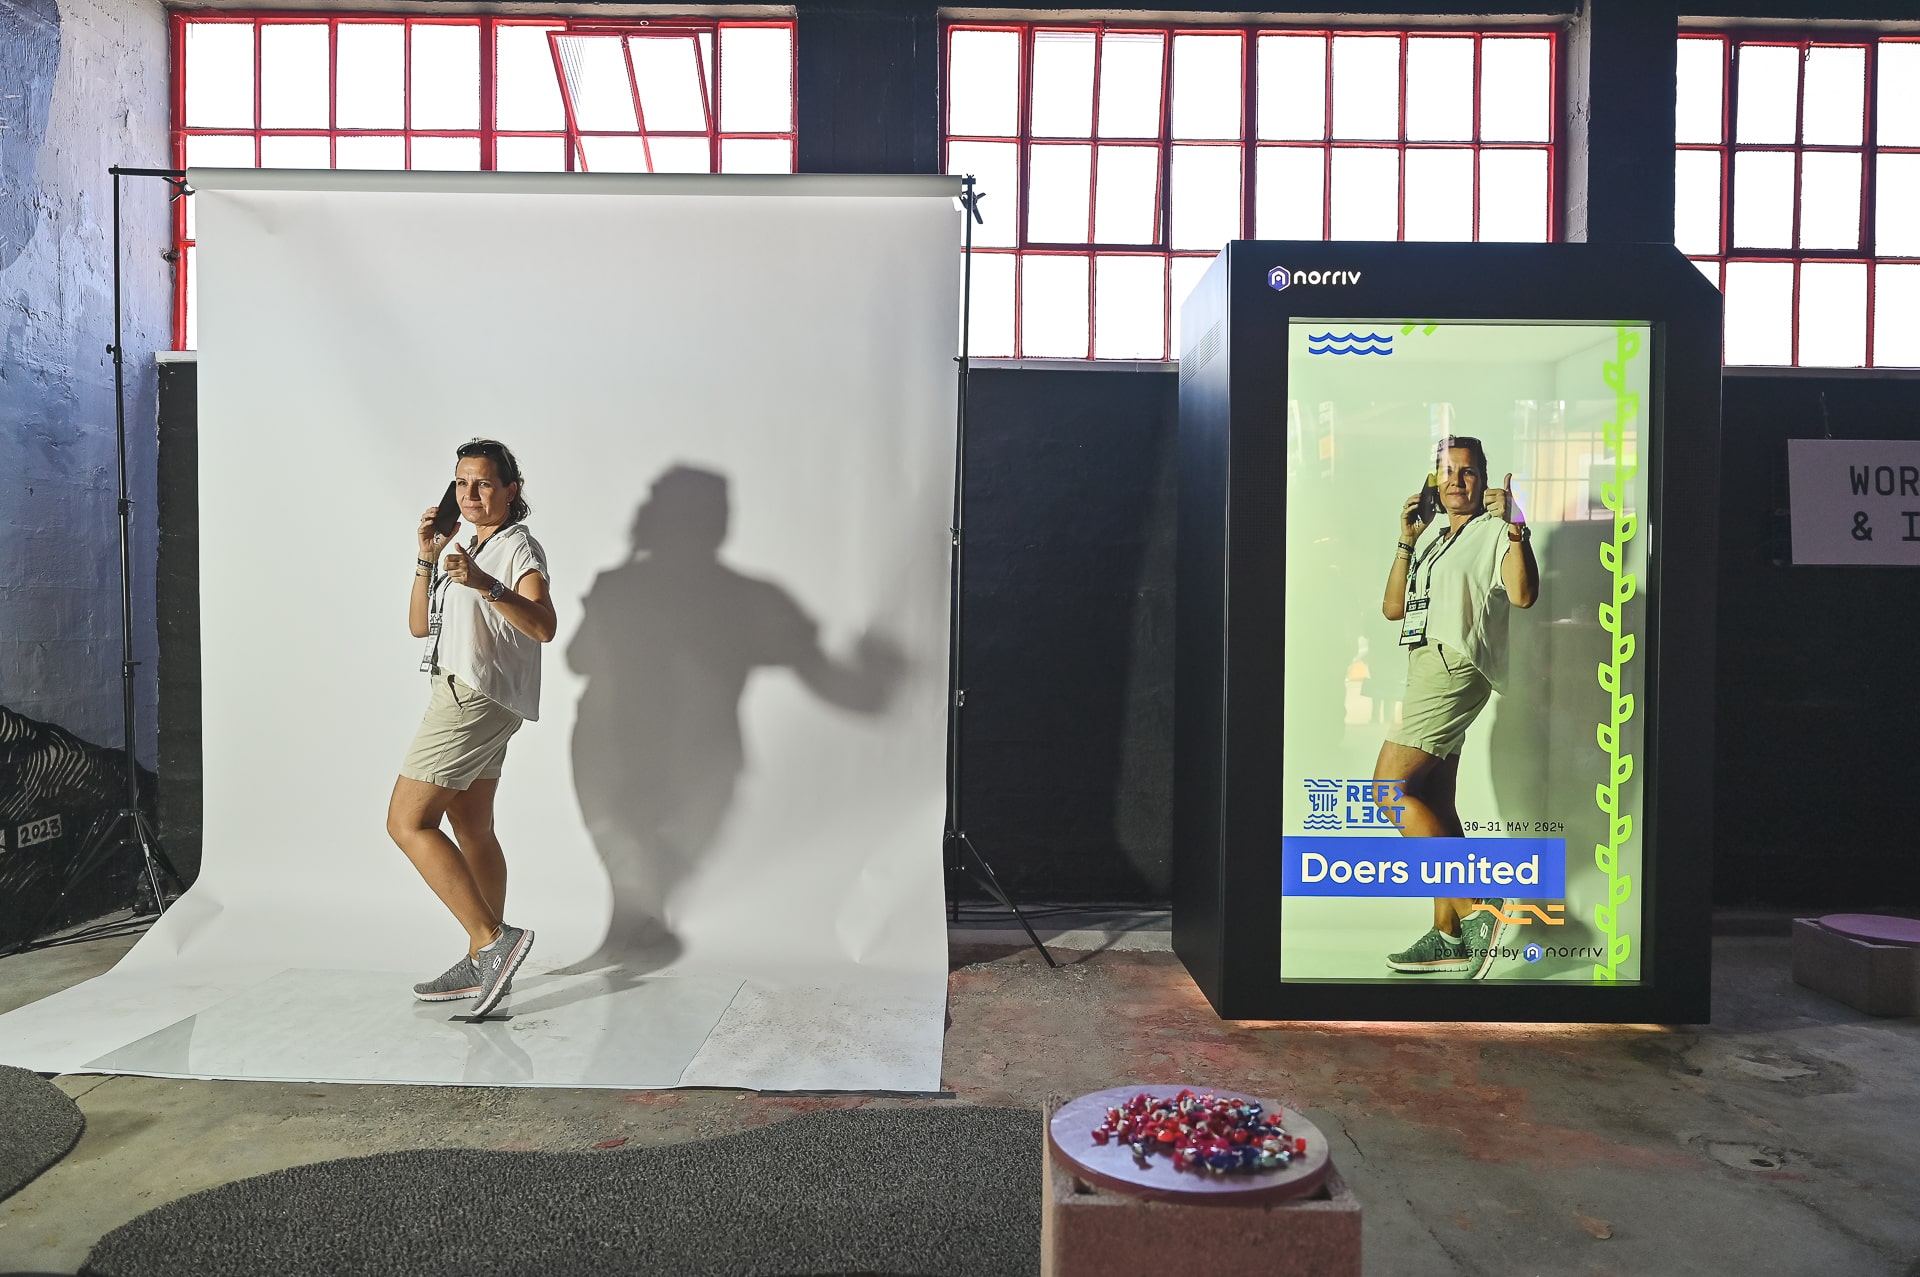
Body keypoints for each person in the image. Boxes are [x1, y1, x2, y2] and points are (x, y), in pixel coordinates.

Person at [387, 439, 556, 1015]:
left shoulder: (515, 549)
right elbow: (417, 626)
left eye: (484, 483)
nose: (471, 494)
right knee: (470, 824)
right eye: (462, 484)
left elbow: (543, 626)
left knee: (407, 821)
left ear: (511, 490)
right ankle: (481, 957)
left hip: (472, 697)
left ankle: (492, 941)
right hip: (473, 693)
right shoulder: (462, 546)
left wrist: (485, 582)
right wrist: (427, 555)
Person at [1375, 437, 1538, 979]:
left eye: (1467, 473)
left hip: (1455, 665)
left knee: (1386, 792)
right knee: (1434, 803)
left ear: (1484, 479)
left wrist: (1516, 526)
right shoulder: (1432, 537)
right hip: (1425, 664)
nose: (1455, 481)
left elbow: (1522, 595)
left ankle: (1476, 908)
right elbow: (1395, 608)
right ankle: (1447, 936)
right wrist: (1405, 541)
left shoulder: (1496, 531)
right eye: (1447, 471)